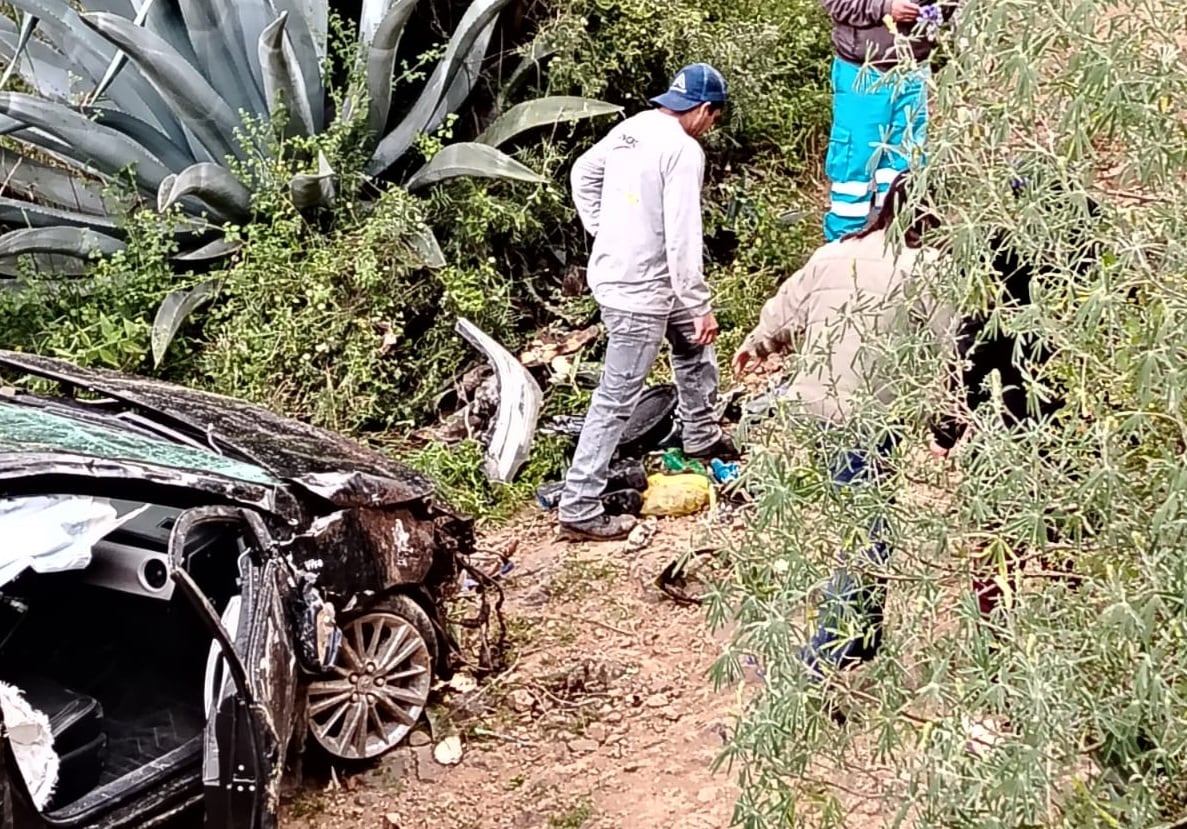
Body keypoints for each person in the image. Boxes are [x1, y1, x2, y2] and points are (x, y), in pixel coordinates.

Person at [733, 173, 951, 675]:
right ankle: (820, 665)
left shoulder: (832, 254)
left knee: (865, 520)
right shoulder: (928, 268)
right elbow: (949, 345)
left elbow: (783, 311)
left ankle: (863, 641)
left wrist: (756, 344)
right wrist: (947, 422)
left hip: (814, 409)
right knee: (868, 537)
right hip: (870, 417)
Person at [557, 63, 739, 542]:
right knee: (616, 399)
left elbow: (582, 173)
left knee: (694, 348)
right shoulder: (682, 149)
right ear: (703, 110)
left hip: (633, 278)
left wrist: (605, 231)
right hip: (640, 292)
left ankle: (700, 434)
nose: (711, 126)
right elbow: (683, 236)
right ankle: (578, 503)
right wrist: (700, 303)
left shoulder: (632, 129)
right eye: (713, 117)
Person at [820, 0, 953, 241]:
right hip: (864, 71)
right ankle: (841, 250)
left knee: (905, 163)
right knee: (854, 162)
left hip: (913, 68)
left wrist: (934, 11)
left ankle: (897, 241)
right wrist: (885, 8)